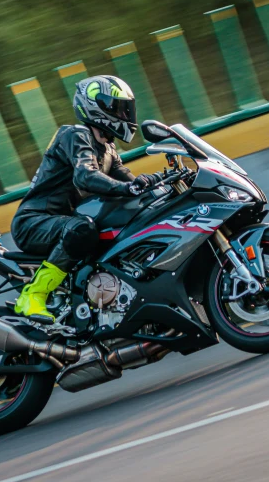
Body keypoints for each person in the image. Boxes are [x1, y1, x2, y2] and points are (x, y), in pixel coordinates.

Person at [10, 75, 160, 324]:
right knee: (83, 230)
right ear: (96, 106)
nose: (124, 114)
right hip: (35, 221)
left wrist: (154, 186)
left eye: (126, 108)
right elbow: (85, 176)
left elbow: (128, 182)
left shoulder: (108, 149)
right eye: (117, 108)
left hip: (64, 222)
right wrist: (128, 188)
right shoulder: (75, 134)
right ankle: (33, 295)